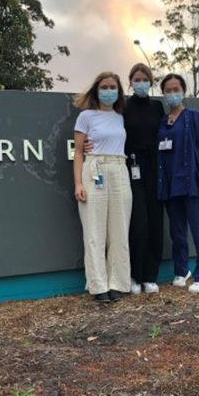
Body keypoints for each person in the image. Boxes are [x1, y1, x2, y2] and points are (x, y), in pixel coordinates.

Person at [73, 72, 132, 303]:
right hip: (94, 168)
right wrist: (78, 183)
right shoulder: (85, 117)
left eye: (113, 87)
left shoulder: (120, 117)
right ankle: (98, 286)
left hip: (119, 168)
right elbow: (78, 152)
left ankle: (117, 282)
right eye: (105, 87)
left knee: (119, 230)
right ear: (97, 90)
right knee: (94, 231)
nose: (109, 91)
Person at [157, 73, 199, 293]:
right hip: (170, 184)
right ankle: (182, 270)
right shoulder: (162, 122)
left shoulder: (194, 117)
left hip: (193, 181)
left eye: (176, 89)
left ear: (183, 92)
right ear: (163, 94)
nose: (172, 94)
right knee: (177, 230)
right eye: (168, 90)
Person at [124, 63, 165, 294]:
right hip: (131, 167)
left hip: (154, 168)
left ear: (150, 82)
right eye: (136, 79)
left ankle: (150, 276)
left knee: (156, 223)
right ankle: (134, 275)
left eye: (145, 79)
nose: (141, 83)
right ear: (130, 81)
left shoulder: (157, 106)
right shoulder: (123, 107)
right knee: (138, 224)